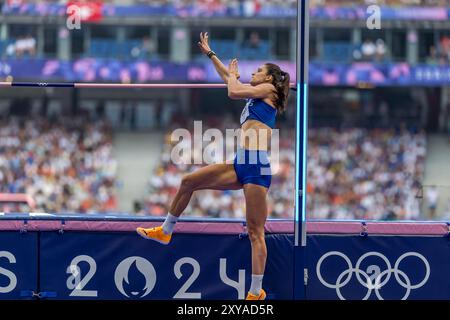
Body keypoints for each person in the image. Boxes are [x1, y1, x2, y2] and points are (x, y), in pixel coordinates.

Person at [136, 32, 290, 300]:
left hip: (256, 166)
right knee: (188, 182)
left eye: (257, 71)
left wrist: (233, 76)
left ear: (268, 78)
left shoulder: (269, 90)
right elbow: (228, 80)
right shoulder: (255, 95)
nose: (252, 74)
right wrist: (211, 54)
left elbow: (232, 89)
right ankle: (165, 230)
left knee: (255, 232)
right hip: (241, 161)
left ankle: (256, 292)